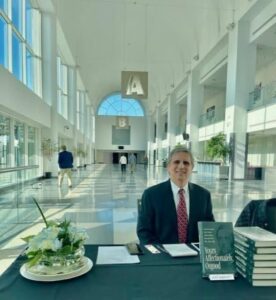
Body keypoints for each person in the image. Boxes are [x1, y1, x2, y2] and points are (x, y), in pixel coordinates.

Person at [137, 146, 214, 244]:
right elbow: (144, 231)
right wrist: (161, 252)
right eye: (177, 162)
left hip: (194, 255)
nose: (181, 166)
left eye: (186, 163)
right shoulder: (151, 195)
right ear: (168, 166)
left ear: (192, 168)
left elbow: (209, 228)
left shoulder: (203, 196)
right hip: (163, 255)